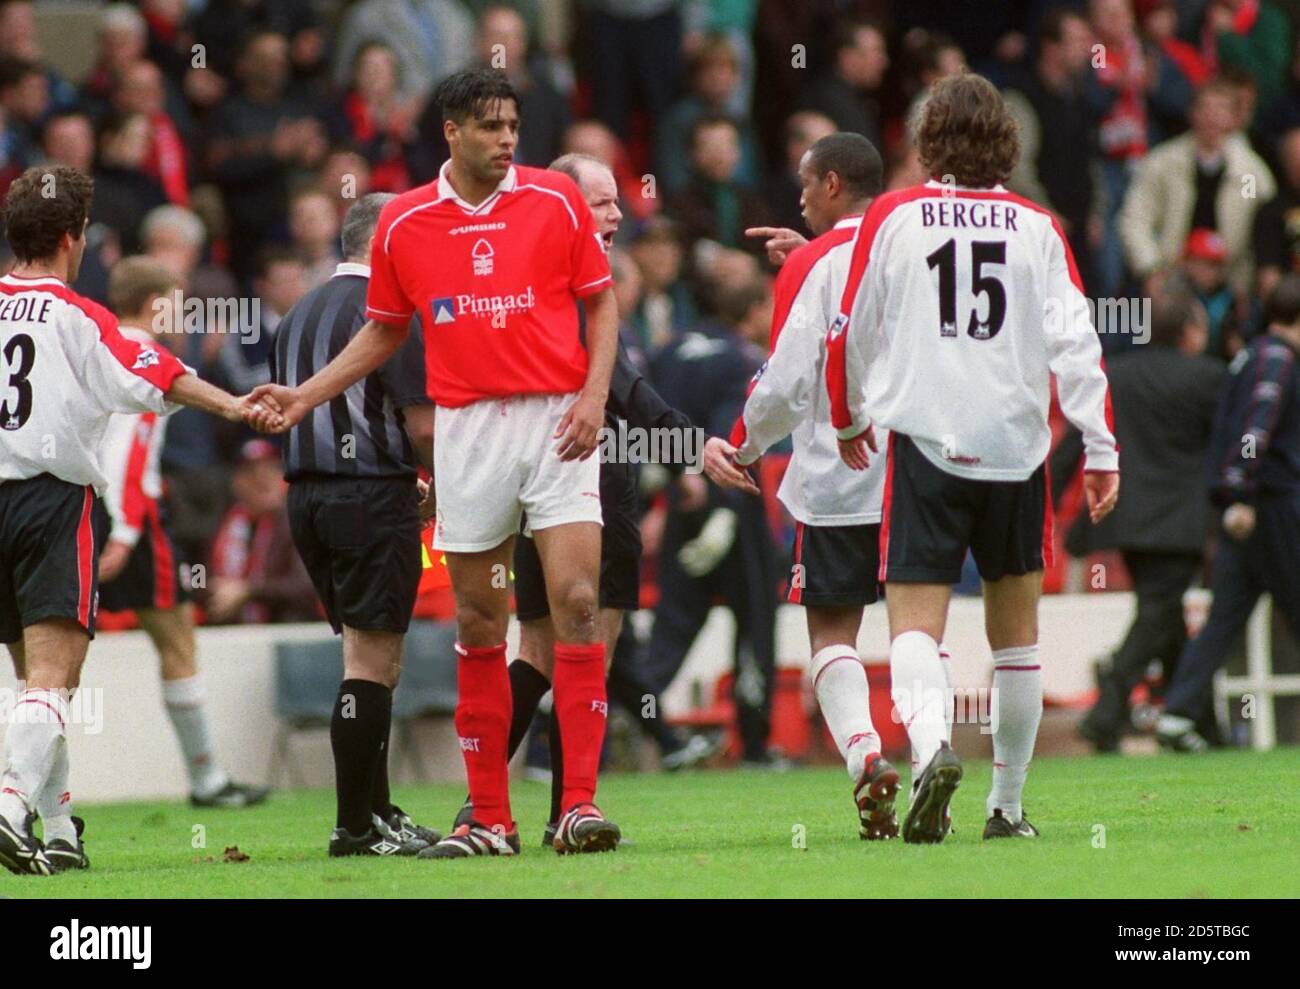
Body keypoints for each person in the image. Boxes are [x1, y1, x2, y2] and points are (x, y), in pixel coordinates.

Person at [251, 69, 622, 859]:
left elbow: (601, 301)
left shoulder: (554, 202)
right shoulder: (406, 223)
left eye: (513, 124)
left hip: (556, 420)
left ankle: (578, 805)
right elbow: (383, 331)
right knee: (481, 620)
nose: (507, 139)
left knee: (578, 601)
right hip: (468, 430)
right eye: (490, 126)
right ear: (450, 131)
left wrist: (593, 396)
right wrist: (305, 396)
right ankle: (491, 816)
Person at [826, 74, 1120, 843]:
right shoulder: (1039, 226)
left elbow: (852, 326)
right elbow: (1079, 345)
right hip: (1016, 450)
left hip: (927, 441)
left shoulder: (895, 215)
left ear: (928, 139)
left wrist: (848, 411)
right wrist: (1100, 446)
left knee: (915, 627)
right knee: (1016, 636)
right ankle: (1008, 806)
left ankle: (930, 750)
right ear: (1007, 143)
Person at [0, 164, 280, 875]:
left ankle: (57, 827)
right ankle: (9, 803)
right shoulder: (84, 317)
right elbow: (160, 372)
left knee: (34, 679)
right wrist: (240, 406)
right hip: (53, 504)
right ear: (74, 238)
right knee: (54, 679)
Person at [453, 152, 717, 847]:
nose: (617, 214)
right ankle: (568, 809)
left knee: (540, 649)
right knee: (586, 642)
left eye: (616, 203)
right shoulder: (570, 277)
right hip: (583, 479)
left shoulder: (568, 272)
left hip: (550, 474)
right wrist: (690, 444)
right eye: (601, 203)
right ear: (564, 200)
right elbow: (623, 387)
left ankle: (494, 805)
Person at [705, 131, 910, 837]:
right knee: (921, 625)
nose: (796, 196)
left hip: (838, 476)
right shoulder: (913, 244)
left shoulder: (816, 266)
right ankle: (939, 744)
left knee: (831, 630)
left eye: (804, 181)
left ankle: (862, 753)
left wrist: (739, 442)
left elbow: (789, 379)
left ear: (830, 184)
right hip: (917, 472)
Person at [270, 193, 441, 857]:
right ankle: (354, 827)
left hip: (307, 499)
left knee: (364, 658)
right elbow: (419, 421)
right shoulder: (390, 309)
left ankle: (379, 812)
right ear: (388, 240)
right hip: (370, 494)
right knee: (374, 659)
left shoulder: (297, 312)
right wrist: (444, 487)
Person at [96, 256, 269, 808]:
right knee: (177, 641)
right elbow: (129, 447)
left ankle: (38, 798)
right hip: (129, 518)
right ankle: (207, 781)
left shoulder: (95, 347)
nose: (185, 316)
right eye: (178, 303)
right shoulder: (146, 357)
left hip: (79, 509)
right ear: (155, 304)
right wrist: (123, 533)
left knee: (51, 656)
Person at [1051, 286, 1226, 751]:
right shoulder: (1210, 377)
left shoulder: (1117, 375)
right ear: (1190, 332)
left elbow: (1077, 439)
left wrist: (1045, 499)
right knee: (1157, 613)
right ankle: (1107, 712)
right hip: (1183, 522)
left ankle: (1200, 720)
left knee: (1163, 613)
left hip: (1127, 516)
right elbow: (1232, 446)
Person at [1156, 274, 1300, 752]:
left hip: (1246, 507)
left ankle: (1177, 714)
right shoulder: (1278, 359)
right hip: (1270, 506)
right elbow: (1256, 429)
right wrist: (1239, 490)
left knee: (1226, 616)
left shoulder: (1248, 355)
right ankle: (1178, 713)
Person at [644, 277, 781, 767]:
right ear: (756, 306)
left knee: (672, 626)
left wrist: (668, 489)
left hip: (683, 502)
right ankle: (756, 745)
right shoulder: (743, 359)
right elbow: (733, 444)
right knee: (755, 623)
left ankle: (625, 714)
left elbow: (645, 424)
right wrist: (723, 513)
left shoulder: (669, 350)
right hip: (734, 507)